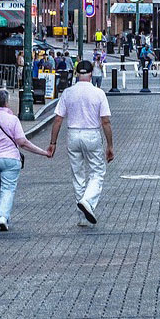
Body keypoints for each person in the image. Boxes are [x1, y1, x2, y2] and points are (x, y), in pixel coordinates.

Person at [0, 87, 50, 232]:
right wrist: (43, 152)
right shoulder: (13, 120)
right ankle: (2, 216)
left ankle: (3, 217)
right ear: (6, 102)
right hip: (11, 160)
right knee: (8, 188)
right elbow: (23, 142)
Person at [48, 60, 113, 225]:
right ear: (91, 74)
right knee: (97, 172)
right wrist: (110, 145)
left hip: (73, 134)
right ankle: (88, 201)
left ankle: (82, 217)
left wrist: (53, 142)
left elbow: (58, 119)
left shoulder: (68, 93)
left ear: (77, 74)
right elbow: (105, 121)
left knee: (78, 175)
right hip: (92, 134)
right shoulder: (98, 93)